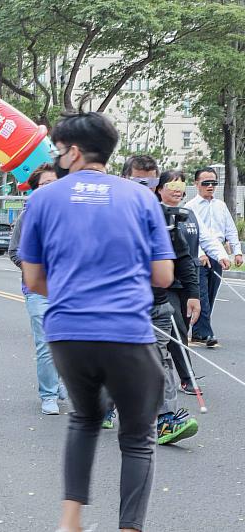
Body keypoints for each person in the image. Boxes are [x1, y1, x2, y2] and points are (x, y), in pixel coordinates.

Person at [19, 112, 174, 532]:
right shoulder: (143, 199)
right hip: (127, 331)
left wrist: (75, 292)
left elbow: (33, 279)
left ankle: (71, 521)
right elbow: (163, 276)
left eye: (58, 150)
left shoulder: (43, 200)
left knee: (85, 418)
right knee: (138, 436)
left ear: (73, 151)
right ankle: (129, 528)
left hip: (68, 331)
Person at [122, 156, 200, 445]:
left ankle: (164, 420)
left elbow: (182, 257)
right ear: (125, 180)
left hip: (156, 305)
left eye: (151, 182)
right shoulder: (111, 213)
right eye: (138, 181)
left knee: (159, 360)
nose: (145, 187)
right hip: (121, 306)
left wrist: (193, 294)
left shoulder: (164, 217)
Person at [156, 171, 228, 391]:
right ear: (160, 189)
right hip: (165, 282)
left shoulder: (189, 214)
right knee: (176, 327)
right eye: (172, 185)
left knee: (183, 330)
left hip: (188, 281)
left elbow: (205, 238)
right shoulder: (153, 214)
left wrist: (221, 255)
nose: (178, 190)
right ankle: (187, 377)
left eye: (181, 186)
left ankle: (173, 371)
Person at [8, 163, 68, 415]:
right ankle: (48, 394)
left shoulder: (72, 215)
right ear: (35, 190)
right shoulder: (28, 217)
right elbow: (14, 252)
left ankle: (61, 380)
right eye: (45, 184)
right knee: (46, 341)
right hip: (38, 290)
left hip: (69, 289)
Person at [184, 167, 241, 347]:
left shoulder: (221, 206)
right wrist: (200, 254)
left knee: (211, 293)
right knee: (201, 296)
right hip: (198, 256)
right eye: (205, 183)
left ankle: (198, 329)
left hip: (217, 254)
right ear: (196, 184)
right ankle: (203, 333)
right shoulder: (190, 207)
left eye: (213, 183)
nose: (210, 186)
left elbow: (230, 230)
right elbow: (192, 235)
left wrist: (237, 252)